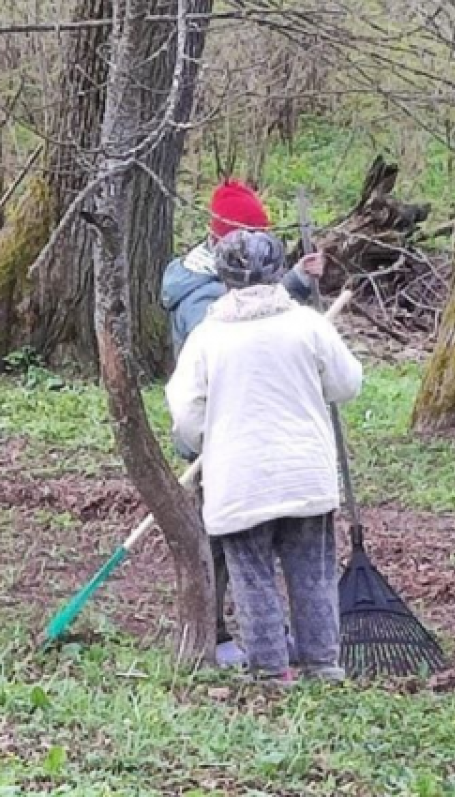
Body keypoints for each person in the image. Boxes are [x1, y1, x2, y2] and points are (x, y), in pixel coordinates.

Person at [166, 230, 363, 684]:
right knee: (312, 572)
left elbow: (185, 413)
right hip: (304, 476)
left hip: (239, 480)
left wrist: (206, 443)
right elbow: (347, 384)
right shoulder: (308, 326)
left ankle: (271, 671)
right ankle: (322, 665)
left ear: (225, 277)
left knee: (252, 578)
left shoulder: (207, 338)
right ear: (277, 273)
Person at [161, 179, 325, 669]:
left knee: (244, 536)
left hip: (245, 431)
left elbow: (256, 307)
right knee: (215, 542)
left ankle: (253, 637)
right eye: (248, 238)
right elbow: (231, 333)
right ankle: (211, 635)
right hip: (216, 434)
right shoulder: (197, 298)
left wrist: (294, 281)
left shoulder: (225, 275)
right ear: (223, 240)